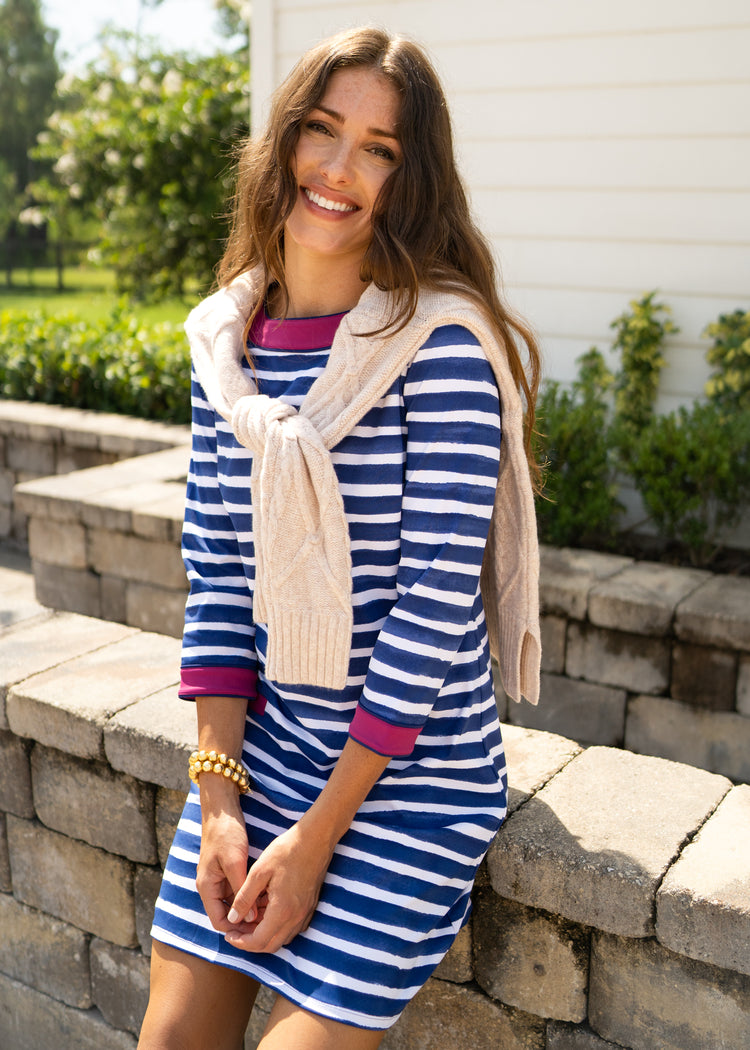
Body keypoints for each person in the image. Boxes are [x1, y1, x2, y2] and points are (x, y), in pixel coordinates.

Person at [138, 25, 542, 1050]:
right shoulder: (225, 350)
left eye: (379, 148)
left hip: (409, 784)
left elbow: (430, 614)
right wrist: (219, 799)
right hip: (264, 755)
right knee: (172, 1038)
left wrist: (316, 841)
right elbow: (221, 581)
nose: (341, 168)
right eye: (323, 132)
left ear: (410, 181)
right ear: (282, 146)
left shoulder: (439, 347)